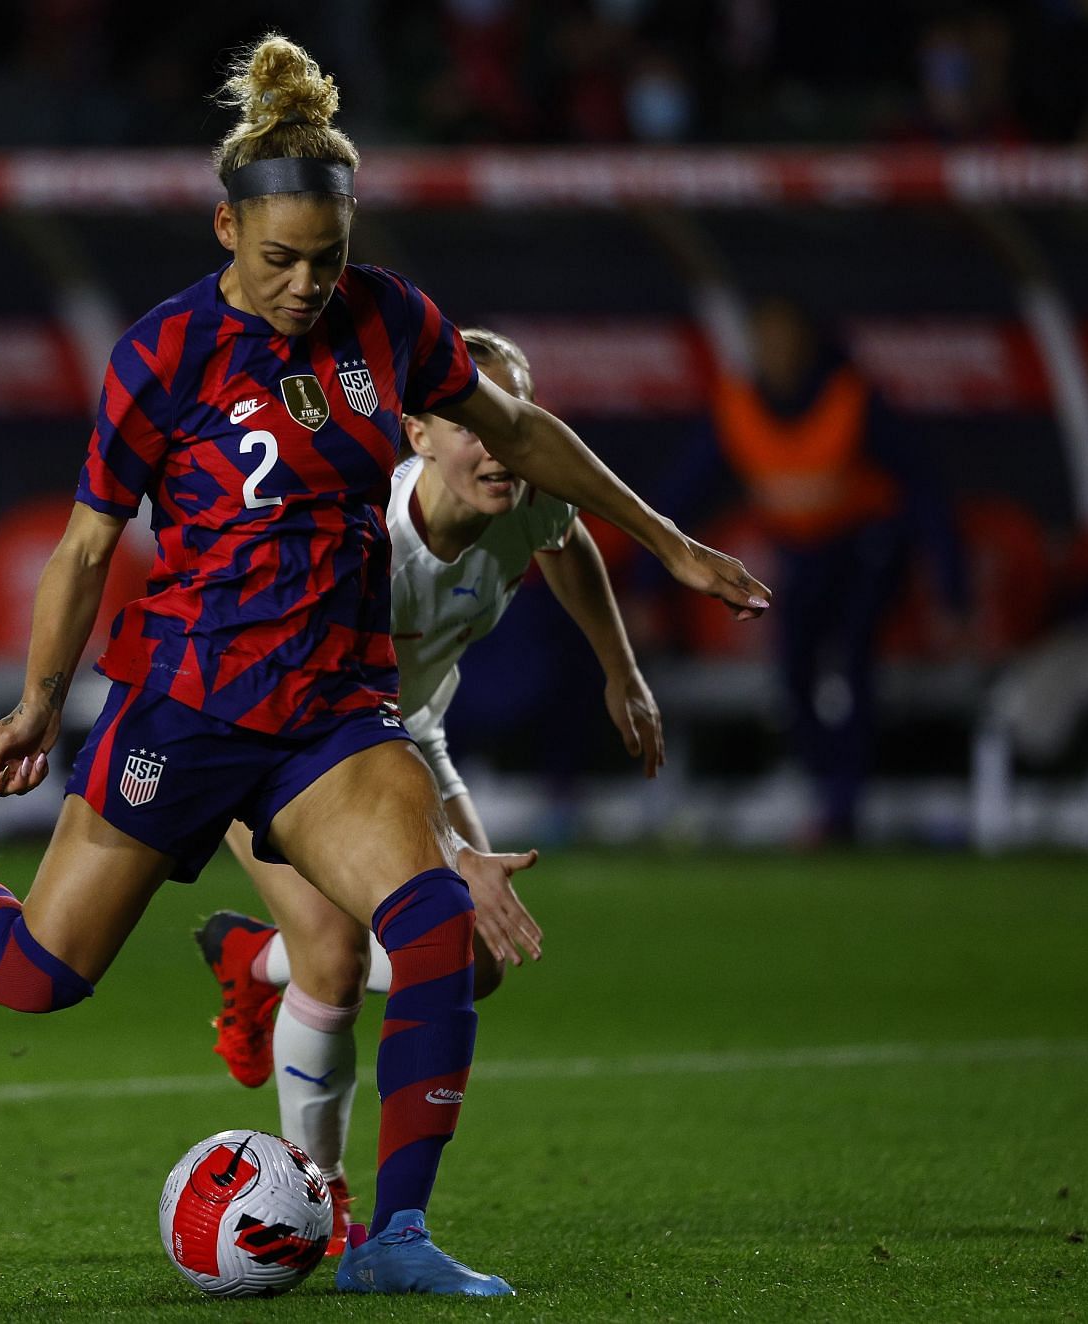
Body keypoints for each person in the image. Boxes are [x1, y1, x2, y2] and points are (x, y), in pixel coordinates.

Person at [0, 33, 768, 1297]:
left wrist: (674, 540)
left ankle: (397, 1240)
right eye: (280, 259)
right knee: (42, 975)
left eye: (326, 256)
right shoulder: (163, 357)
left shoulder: (394, 324)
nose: (308, 284)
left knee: (434, 931)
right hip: (190, 707)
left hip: (331, 715)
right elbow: (89, 543)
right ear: (224, 227)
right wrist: (40, 700)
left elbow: (523, 431)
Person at [195, 326, 664, 1254]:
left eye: (514, 421)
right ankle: (314, 1199)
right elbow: (324, 718)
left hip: (407, 739)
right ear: (415, 435)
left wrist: (621, 669)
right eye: (470, 423)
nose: (499, 444)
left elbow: (569, 546)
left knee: (470, 962)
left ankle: (256, 965)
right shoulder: (366, 540)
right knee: (333, 954)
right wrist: (452, 856)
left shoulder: (525, 498)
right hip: (273, 737)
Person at [660, 297, 964, 843]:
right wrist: (645, 578)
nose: (776, 354)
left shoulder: (850, 398)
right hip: (802, 559)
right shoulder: (739, 405)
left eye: (786, 339)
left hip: (866, 548)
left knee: (850, 658)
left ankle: (845, 802)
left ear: (808, 342)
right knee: (794, 665)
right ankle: (823, 787)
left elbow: (922, 487)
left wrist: (950, 583)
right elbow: (679, 495)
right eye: (765, 341)